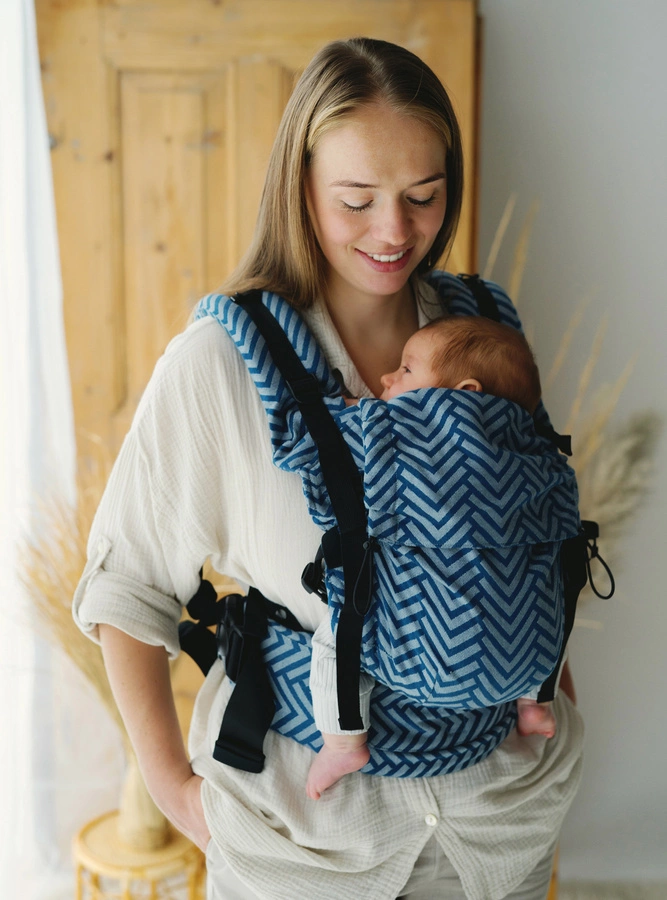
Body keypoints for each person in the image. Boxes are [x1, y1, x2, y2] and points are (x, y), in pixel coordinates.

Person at [73, 37, 583, 900]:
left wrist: (555, 699)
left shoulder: (481, 335)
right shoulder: (222, 362)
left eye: (423, 196)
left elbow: (535, 529)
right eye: (356, 200)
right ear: (298, 186)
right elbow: (126, 585)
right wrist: (177, 794)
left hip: (497, 823)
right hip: (302, 842)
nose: (394, 232)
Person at [305, 314, 560, 802]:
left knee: (335, 640)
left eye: (405, 370)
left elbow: (323, 438)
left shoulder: (400, 435)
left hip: (426, 660)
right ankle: (535, 706)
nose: (387, 378)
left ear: (463, 394)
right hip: (525, 661)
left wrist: (349, 408)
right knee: (545, 596)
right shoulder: (538, 454)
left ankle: (342, 742)